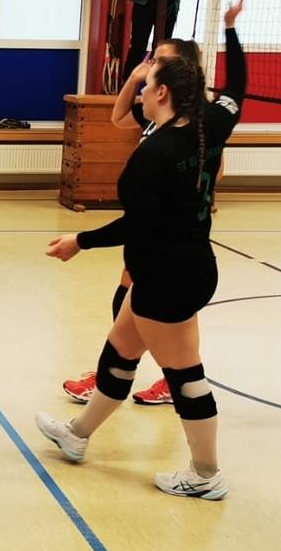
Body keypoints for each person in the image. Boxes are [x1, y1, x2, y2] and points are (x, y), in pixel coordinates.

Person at [37, 0, 248, 500]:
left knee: (185, 377)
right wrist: (231, 29)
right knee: (119, 353)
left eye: (148, 79)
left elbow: (137, 225)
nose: (144, 83)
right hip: (184, 267)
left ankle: (205, 473)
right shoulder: (209, 125)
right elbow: (237, 89)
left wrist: (79, 241)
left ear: (160, 94)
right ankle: (78, 435)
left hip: (168, 276)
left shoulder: (150, 160)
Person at [63, 37, 203, 406]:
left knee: (169, 313)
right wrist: (134, 79)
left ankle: (159, 377)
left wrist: (81, 240)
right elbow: (118, 117)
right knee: (130, 297)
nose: (151, 64)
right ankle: (122, 370)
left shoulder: (193, 120)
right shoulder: (160, 114)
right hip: (152, 228)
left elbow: (213, 171)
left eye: (159, 61)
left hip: (169, 234)